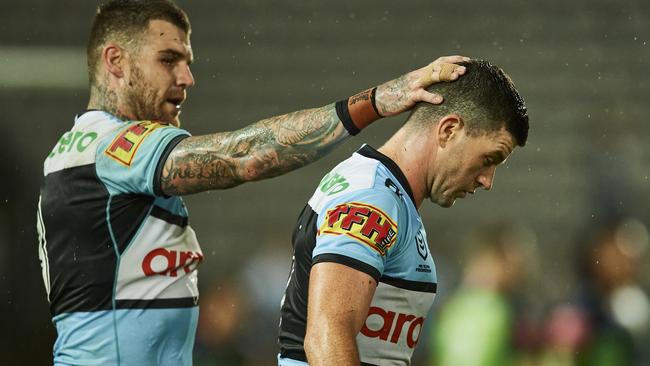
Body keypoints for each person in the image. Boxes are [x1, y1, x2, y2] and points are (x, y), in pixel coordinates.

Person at [35, 0, 468, 365]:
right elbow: (240, 156)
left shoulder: (83, 153)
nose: (187, 78)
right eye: (168, 60)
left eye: (188, 62)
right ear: (115, 61)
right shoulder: (111, 147)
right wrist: (373, 102)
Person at [277, 59, 529, 366]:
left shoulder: (390, 198)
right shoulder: (371, 198)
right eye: (489, 158)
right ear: (449, 130)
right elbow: (326, 338)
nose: (487, 180)